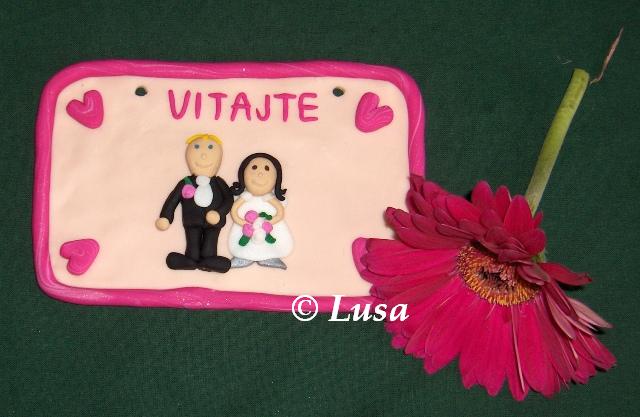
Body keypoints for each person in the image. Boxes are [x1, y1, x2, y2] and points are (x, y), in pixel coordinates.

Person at [156, 134, 233, 273]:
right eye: (196, 148)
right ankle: (190, 260)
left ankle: (209, 260)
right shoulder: (186, 182)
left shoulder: (219, 182)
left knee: (209, 247)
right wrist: (166, 217)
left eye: (210, 148)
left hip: (214, 223)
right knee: (193, 249)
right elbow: (173, 199)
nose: (203, 155)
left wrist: (219, 213)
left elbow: (228, 199)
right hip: (192, 221)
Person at [228, 153, 293, 269]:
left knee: (276, 242)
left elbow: (280, 213)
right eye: (254, 168)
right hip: (245, 227)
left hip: (268, 227)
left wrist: (267, 223)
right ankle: (243, 256)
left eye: (267, 169)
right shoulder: (244, 197)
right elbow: (234, 212)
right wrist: (244, 223)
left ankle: (271, 256)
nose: (260, 173)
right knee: (241, 243)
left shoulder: (270, 198)